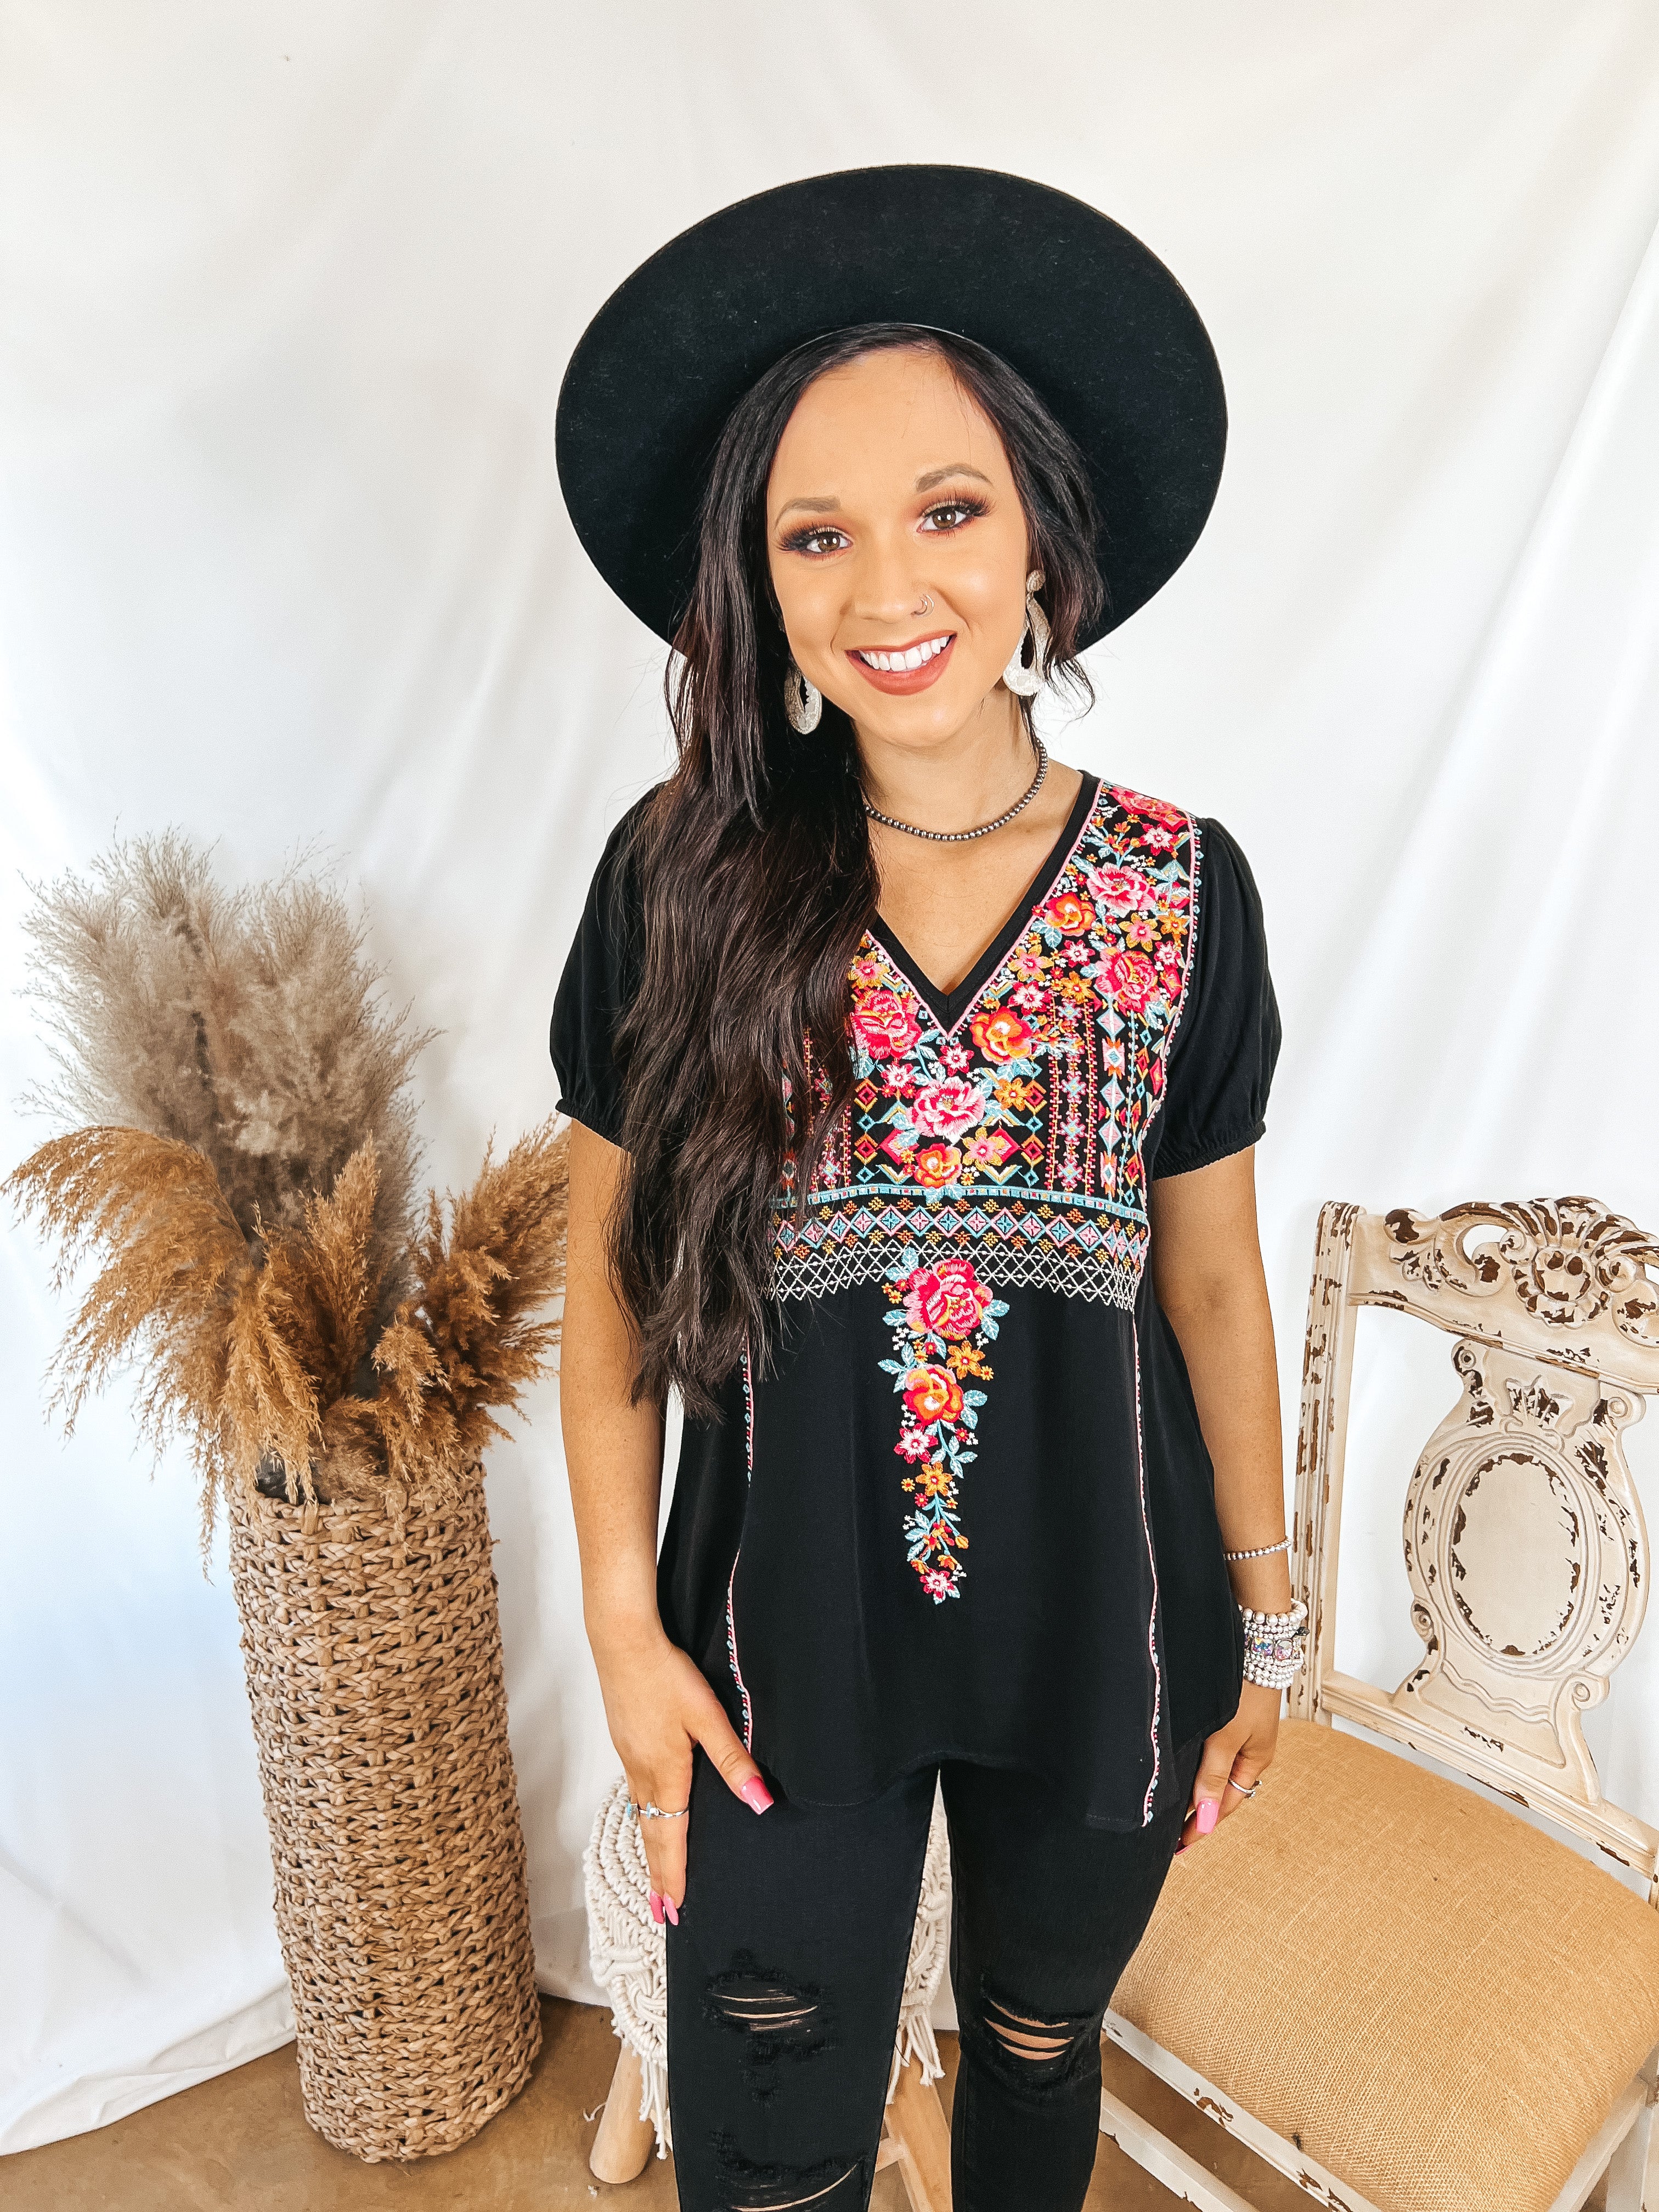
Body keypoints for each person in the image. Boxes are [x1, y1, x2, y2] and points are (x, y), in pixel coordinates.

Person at [550, 166, 1304, 2212]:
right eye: (819, 534)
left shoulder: (1182, 888)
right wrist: (620, 1626)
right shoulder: (683, 879)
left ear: (1042, 538)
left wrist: (1267, 1617)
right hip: (772, 1643)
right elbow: (606, 1280)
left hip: (1110, 1616)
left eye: (949, 510)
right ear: (761, 583)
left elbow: (1212, 1284)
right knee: (768, 2129)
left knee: (1040, 2056)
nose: (891, 587)